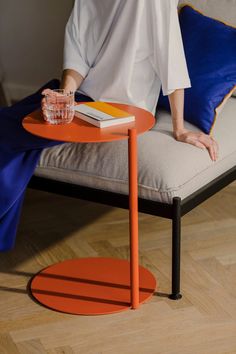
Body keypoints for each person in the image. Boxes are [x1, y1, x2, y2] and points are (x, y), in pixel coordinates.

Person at [43, 0, 219, 161]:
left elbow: (171, 60)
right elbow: (78, 55)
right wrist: (65, 97)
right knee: (21, 125)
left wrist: (179, 129)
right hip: (84, 101)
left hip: (126, 110)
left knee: (19, 139)